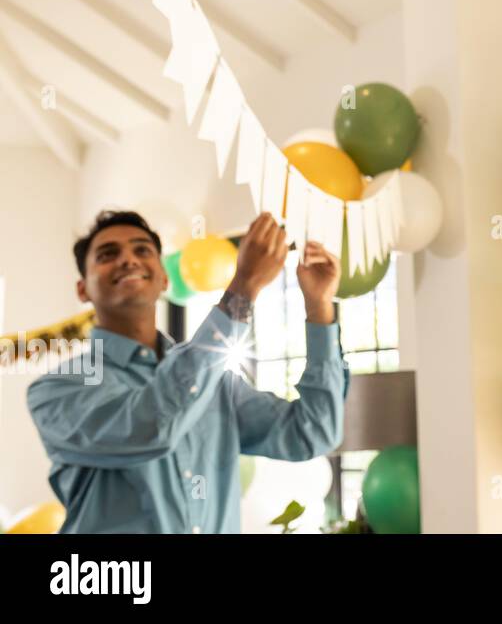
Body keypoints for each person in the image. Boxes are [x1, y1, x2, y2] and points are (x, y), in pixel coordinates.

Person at [28, 210, 348, 533]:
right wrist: (242, 290)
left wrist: (319, 307)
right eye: (108, 254)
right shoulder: (56, 390)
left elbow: (313, 432)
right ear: (83, 289)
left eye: (142, 250)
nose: (128, 260)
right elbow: (150, 427)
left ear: (164, 279)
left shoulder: (216, 385)